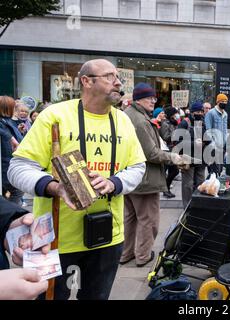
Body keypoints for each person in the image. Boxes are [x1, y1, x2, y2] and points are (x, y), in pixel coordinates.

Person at [7, 59, 147, 300]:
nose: (117, 82)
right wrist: (55, 187)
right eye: (109, 76)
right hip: (52, 240)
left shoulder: (123, 120)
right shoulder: (55, 116)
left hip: (108, 238)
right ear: (86, 81)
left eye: (118, 78)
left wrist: (114, 183)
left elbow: (137, 166)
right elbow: (18, 168)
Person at [121, 83, 185, 268]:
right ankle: (142, 255)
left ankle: (126, 254)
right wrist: (174, 157)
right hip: (144, 178)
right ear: (139, 99)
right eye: (150, 97)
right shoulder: (140, 121)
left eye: (154, 98)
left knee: (130, 218)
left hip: (130, 177)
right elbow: (151, 154)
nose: (153, 101)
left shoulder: (129, 115)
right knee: (148, 220)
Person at [178, 101, 207, 208]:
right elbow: (177, 141)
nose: (199, 113)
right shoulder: (185, 123)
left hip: (201, 158)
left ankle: (197, 206)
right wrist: (193, 143)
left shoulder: (203, 123)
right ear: (192, 112)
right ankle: (187, 207)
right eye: (197, 111)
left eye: (201, 111)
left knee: (200, 183)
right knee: (188, 185)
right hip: (188, 158)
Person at [0, 96, 24, 205]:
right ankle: (11, 214)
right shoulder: (3, 122)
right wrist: (12, 138)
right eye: (13, 107)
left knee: (8, 192)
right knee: (17, 190)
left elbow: (18, 141)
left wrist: (19, 132)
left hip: (8, 163)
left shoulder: (7, 122)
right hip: (6, 164)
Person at [160, 106, 181, 198]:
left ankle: (166, 189)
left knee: (174, 171)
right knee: (170, 170)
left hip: (174, 149)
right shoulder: (165, 124)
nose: (176, 115)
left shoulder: (174, 123)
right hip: (167, 150)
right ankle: (165, 190)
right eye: (174, 113)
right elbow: (165, 136)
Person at [204, 93, 228, 175]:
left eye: (226, 101)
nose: (224, 103)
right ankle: (210, 186)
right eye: (222, 101)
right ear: (218, 102)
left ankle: (215, 186)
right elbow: (208, 130)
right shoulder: (211, 113)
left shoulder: (225, 114)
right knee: (213, 171)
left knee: (220, 170)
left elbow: (225, 130)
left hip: (222, 146)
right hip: (213, 146)